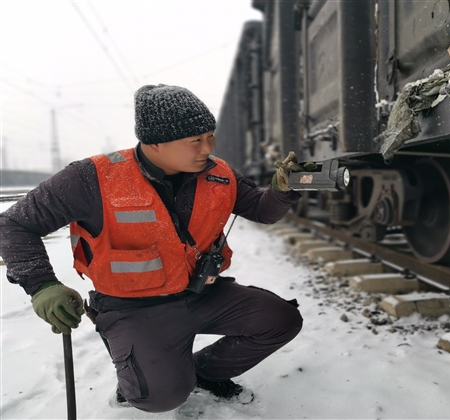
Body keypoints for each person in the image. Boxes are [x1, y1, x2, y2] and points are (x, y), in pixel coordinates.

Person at [0, 84, 305, 413]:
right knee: (160, 397)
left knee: (281, 320)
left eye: (210, 136)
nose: (209, 147)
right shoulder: (92, 177)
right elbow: (14, 224)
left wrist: (281, 190)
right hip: (132, 307)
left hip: (201, 292)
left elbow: (262, 211)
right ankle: (142, 375)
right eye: (196, 141)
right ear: (154, 142)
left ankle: (204, 372)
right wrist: (42, 285)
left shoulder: (219, 173)